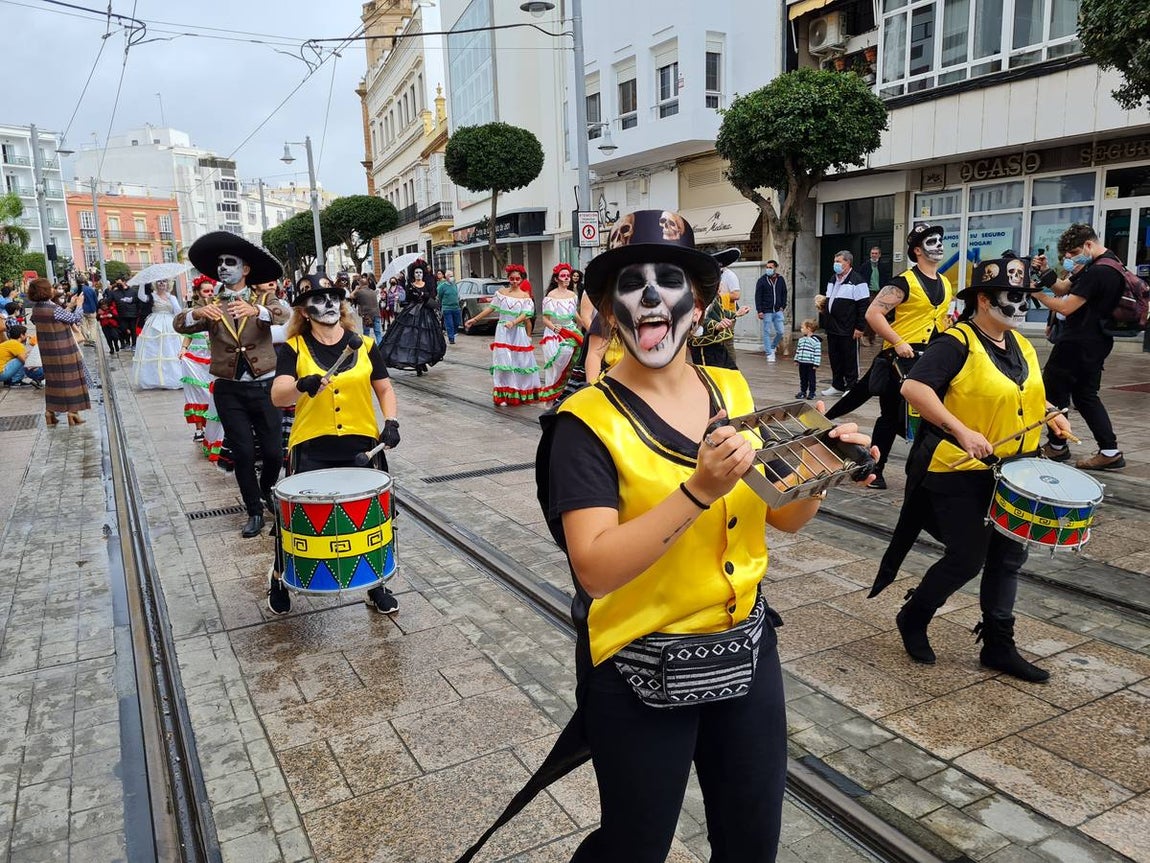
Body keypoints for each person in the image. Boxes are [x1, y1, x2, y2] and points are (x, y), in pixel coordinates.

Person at [456, 209, 875, 863]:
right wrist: (697, 490)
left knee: (751, 841)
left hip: (746, 652)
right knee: (635, 846)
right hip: (638, 671)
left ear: (700, 302)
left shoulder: (732, 388)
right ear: (607, 309)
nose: (651, 295)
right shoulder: (583, 423)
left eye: (670, 278)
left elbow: (783, 515)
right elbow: (593, 567)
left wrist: (824, 468)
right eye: (631, 281)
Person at [883, 257, 1072, 683]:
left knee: (1009, 557)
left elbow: (1022, 393)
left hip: (1014, 469)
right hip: (957, 470)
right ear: (984, 299)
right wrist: (961, 430)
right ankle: (914, 615)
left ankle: (998, 645)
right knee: (968, 558)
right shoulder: (957, 342)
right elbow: (912, 387)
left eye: (1026, 297)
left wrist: (1050, 413)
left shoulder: (1021, 344)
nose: (1022, 305)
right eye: (1013, 296)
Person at [268, 274, 402, 616]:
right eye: (317, 297)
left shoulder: (365, 345)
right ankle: (280, 578)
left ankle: (375, 584)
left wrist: (391, 422)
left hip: (360, 443)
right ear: (303, 308)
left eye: (332, 296)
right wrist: (302, 384)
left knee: (371, 517)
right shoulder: (293, 347)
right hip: (312, 444)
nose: (327, 303)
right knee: (295, 519)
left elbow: (384, 388)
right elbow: (278, 394)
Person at [174, 232, 289, 538]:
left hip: (266, 387)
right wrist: (195, 312)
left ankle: (267, 490)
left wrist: (259, 312)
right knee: (242, 453)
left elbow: (286, 315)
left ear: (246, 269)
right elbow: (179, 323)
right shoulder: (209, 303)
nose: (223, 267)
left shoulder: (265, 298)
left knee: (274, 452)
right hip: (229, 389)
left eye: (230, 262)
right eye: (220, 263)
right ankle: (253, 510)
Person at [829, 224, 956, 489]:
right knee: (889, 416)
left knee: (927, 417)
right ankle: (875, 469)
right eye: (932, 241)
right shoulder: (903, 282)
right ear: (918, 250)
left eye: (941, 240)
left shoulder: (945, 283)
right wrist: (897, 342)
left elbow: (941, 318)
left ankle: (922, 470)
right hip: (898, 360)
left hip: (928, 361)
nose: (940, 245)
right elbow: (873, 313)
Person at [1031, 224, 1125, 471]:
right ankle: (1109, 450)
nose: (1071, 259)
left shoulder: (1099, 272)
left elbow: (1064, 306)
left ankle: (1057, 447)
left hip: (1078, 342)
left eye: (1074, 252)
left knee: (1052, 393)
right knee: (1085, 396)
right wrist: (1045, 272)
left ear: (1089, 245)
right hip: (1096, 341)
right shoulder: (1107, 264)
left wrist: (1035, 294)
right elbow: (1062, 287)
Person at [465, 263, 541, 406]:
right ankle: (505, 393)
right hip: (503, 331)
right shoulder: (501, 293)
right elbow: (491, 308)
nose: (514, 282)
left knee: (520, 360)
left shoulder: (525, 297)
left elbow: (526, 315)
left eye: (517, 279)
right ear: (508, 278)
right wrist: (474, 320)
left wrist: (513, 322)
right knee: (504, 361)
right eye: (512, 279)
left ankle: (520, 391)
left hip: (517, 331)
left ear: (521, 279)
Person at [27, 278, 89, 425]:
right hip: (64, 350)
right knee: (71, 380)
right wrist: (79, 305)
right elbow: (74, 318)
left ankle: (50, 413)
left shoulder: (37, 309)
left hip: (48, 353)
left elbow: (59, 318)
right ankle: (73, 413)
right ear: (45, 291)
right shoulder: (53, 308)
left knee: (53, 382)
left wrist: (71, 304)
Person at [379, 259, 446, 377]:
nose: (419, 275)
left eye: (420, 272)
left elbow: (432, 295)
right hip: (412, 313)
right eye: (416, 273)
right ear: (413, 274)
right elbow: (407, 299)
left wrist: (424, 296)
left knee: (426, 339)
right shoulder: (409, 286)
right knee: (413, 338)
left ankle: (422, 361)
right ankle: (417, 363)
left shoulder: (428, 284)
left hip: (426, 314)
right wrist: (412, 294)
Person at [816, 250, 869, 396]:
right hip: (833, 327)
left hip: (849, 328)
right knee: (835, 357)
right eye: (835, 261)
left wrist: (860, 327)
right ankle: (837, 384)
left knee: (850, 358)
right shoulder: (833, 279)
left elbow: (864, 306)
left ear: (848, 262)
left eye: (839, 261)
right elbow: (829, 299)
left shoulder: (858, 281)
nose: (836, 264)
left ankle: (851, 386)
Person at [180, 275, 219, 450]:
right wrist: (183, 349)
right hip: (194, 359)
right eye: (205, 291)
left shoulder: (219, 309)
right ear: (197, 292)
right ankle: (198, 429)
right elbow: (188, 332)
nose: (209, 294)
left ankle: (212, 429)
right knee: (196, 393)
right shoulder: (193, 312)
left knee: (212, 394)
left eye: (211, 291)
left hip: (213, 359)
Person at [538, 263, 580, 402]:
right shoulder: (551, 297)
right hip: (554, 335)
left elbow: (575, 315)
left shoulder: (573, 296)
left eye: (568, 276)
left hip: (570, 332)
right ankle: (552, 394)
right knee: (555, 364)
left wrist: (586, 325)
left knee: (570, 361)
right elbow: (545, 318)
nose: (567, 278)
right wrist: (553, 327)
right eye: (563, 276)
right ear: (556, 279)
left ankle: (564, 393)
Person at [131, 281, 184, 390]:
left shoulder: (172, 297)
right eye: (159, 281)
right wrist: (142, 282)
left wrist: (172, 301)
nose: (161, 283)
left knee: (170, 350)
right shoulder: (151, 296)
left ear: (168, 284)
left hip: (169, 324)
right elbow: (141, 297)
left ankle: (172, 377)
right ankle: (154, 379)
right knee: (154, 350)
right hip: (154, 324)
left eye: (164, 281)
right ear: (155, 284)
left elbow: (178, 312)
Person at [755, 260, 787, 363]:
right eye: (767, 267)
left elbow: (784, 293)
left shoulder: (780, 279)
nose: (768, 269)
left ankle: (773, 347)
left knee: (781, 331)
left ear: (775, 268)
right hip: (767, 310)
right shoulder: (762, 280)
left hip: (778, 310)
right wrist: (759, 310)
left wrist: (783, 306)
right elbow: (758, 296)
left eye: (770, 267)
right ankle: (769, 353)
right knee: (767, 331)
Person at [793, 319, 821, 400]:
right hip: (802, 363)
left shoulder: (815, 341)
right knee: (803, 378)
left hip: (810, 363)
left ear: (808, 329)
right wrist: (796, 359)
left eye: (802, 328)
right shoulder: (801, 340)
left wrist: (816, 364)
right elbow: (798, 350)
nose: (801, 329)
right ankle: (803, 391)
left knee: (811, 379)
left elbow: (817, 353)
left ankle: (812, 392)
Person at [109, 279, 139, 352]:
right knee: (123, 329)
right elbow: (109, 301)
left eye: (119, 282)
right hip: (122, 314)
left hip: (133, 314)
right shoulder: (115, 293)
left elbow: (137, 302)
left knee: (133, 330)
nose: (118, 284)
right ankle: (127, 342)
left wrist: (138, 311)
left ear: (124, 282)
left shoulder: (133, 291)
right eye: (117, 283)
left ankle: (134, 344)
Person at [353, 275, 382, 343]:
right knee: (378, 332)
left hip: (367, 315)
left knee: (366, 333)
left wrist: (356, 289)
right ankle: (380, 346)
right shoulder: (372, 291)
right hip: (376, 313)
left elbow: (351, 296)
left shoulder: (360, 292)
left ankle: (367, 348)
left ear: (360, 284)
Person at [437, 269, 462, 345]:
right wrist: (443, 304)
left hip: (456, 307)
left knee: (457, 322)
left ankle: (454, 333)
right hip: (447, 308)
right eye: (450, 276)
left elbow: (456, 294)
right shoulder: (442, 286)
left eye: (452, 276)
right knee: (449, 323)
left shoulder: (454, 285)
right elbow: (440, 296)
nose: (452, 277)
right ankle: (451, 338)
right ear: (446, 277)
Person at [79, 279, 99, 346]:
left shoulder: (77, 289)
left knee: (83, 325)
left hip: (81, 310)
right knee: (92, 325)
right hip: (91, 310)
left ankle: (86, 340)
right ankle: (92, 340)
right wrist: (97, 308)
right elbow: (95, 300)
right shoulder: (91, 289)